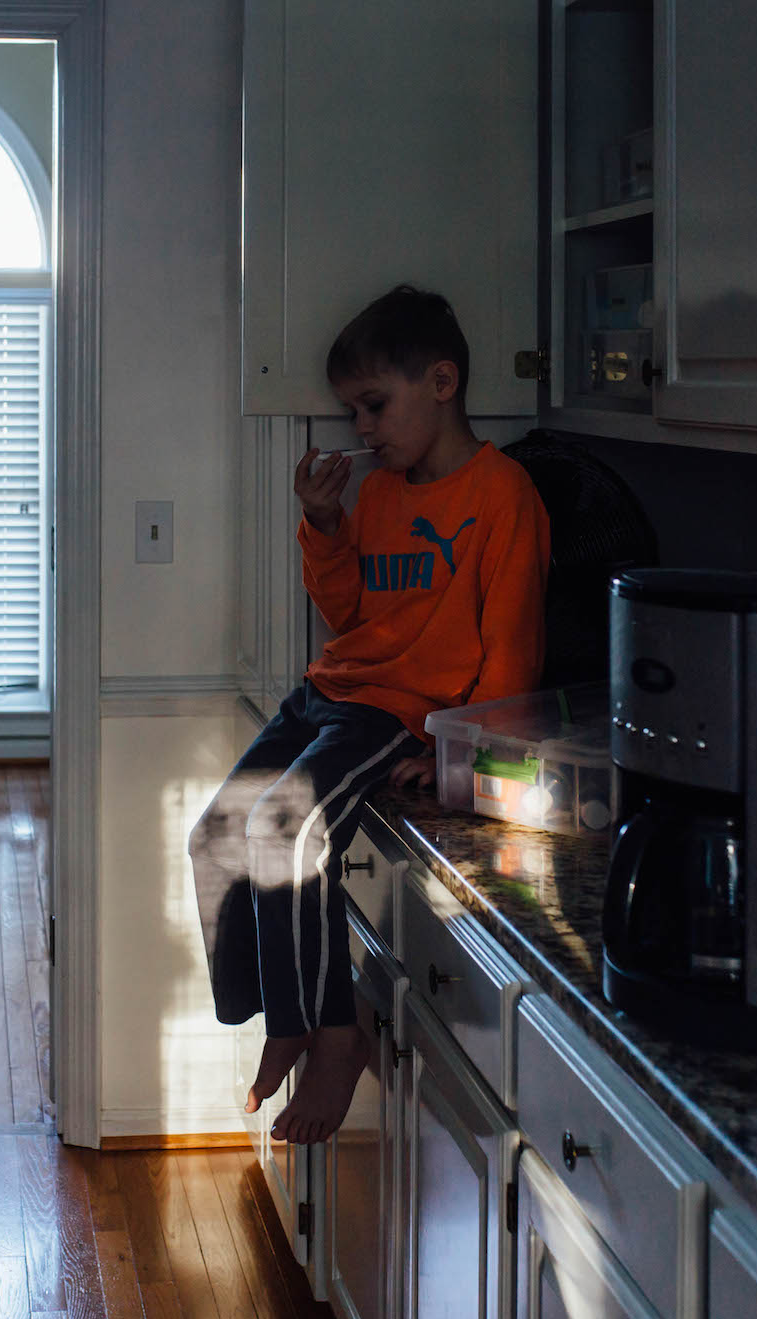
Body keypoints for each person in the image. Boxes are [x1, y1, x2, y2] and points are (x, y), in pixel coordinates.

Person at [190, 285, 550, 1144]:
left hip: (391, 713)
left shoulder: (504, 496)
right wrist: (323, 522)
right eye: (356, 410)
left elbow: (512, 651)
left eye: (375, 405)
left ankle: (332, 1033)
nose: (363, 428)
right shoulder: (381, 494)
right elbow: (350, 615)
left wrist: (462, 755)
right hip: (330, 690)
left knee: (283, 829)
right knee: (213, 836)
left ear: (442, 380)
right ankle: (287, 1014)